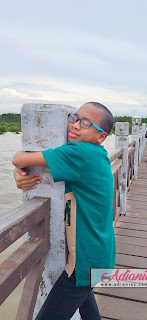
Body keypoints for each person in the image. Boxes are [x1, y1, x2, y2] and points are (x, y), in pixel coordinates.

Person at [12, 102, 116, 320]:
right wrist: (19, 173)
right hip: (98, 255)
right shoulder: (97, 154)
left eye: (86, 123)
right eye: (74, 117)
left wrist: (18, 169)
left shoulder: (82, 151)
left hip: (85, 261)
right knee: (88, 312)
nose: (76, 125)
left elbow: (20, 158)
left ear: (101, 137)